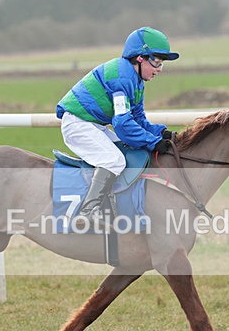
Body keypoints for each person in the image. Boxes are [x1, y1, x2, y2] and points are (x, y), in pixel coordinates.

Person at [56, 26, 179, 223]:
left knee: (130, 153)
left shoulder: (136, 80)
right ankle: (88, 211)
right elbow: (122, 125)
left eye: (162, 63)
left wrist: (161, 133)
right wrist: (152, 142)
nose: (159, 69)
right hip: (78, 124)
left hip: (93, 125)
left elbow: (138, 119)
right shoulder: (122, 77)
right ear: (139, 58)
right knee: (115, 161)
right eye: (156, 61)